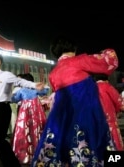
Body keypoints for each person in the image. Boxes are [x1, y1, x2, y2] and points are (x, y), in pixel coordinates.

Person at [31, 36, 118, 167]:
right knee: (96, 145)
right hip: (87, 117)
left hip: (62, 120)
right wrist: (105, 51)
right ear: (73, 48)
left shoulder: (53, 73)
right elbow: (110, 61)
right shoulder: (79, 61)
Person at [11, 73, 50, 165]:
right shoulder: (36, 90)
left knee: (25, 130)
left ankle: (26, 153)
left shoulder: (21, 90)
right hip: (37, 112)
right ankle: (39, 152)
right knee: (37, 129)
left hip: (25, 112)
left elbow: (14, 99)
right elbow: (45, 90)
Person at [93, 73, 124, 150]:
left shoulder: (90, 89)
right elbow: (121, 104)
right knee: (115, 146)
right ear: (107, 80)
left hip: (95, 122)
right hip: (110, 122)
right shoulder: (107, 87)